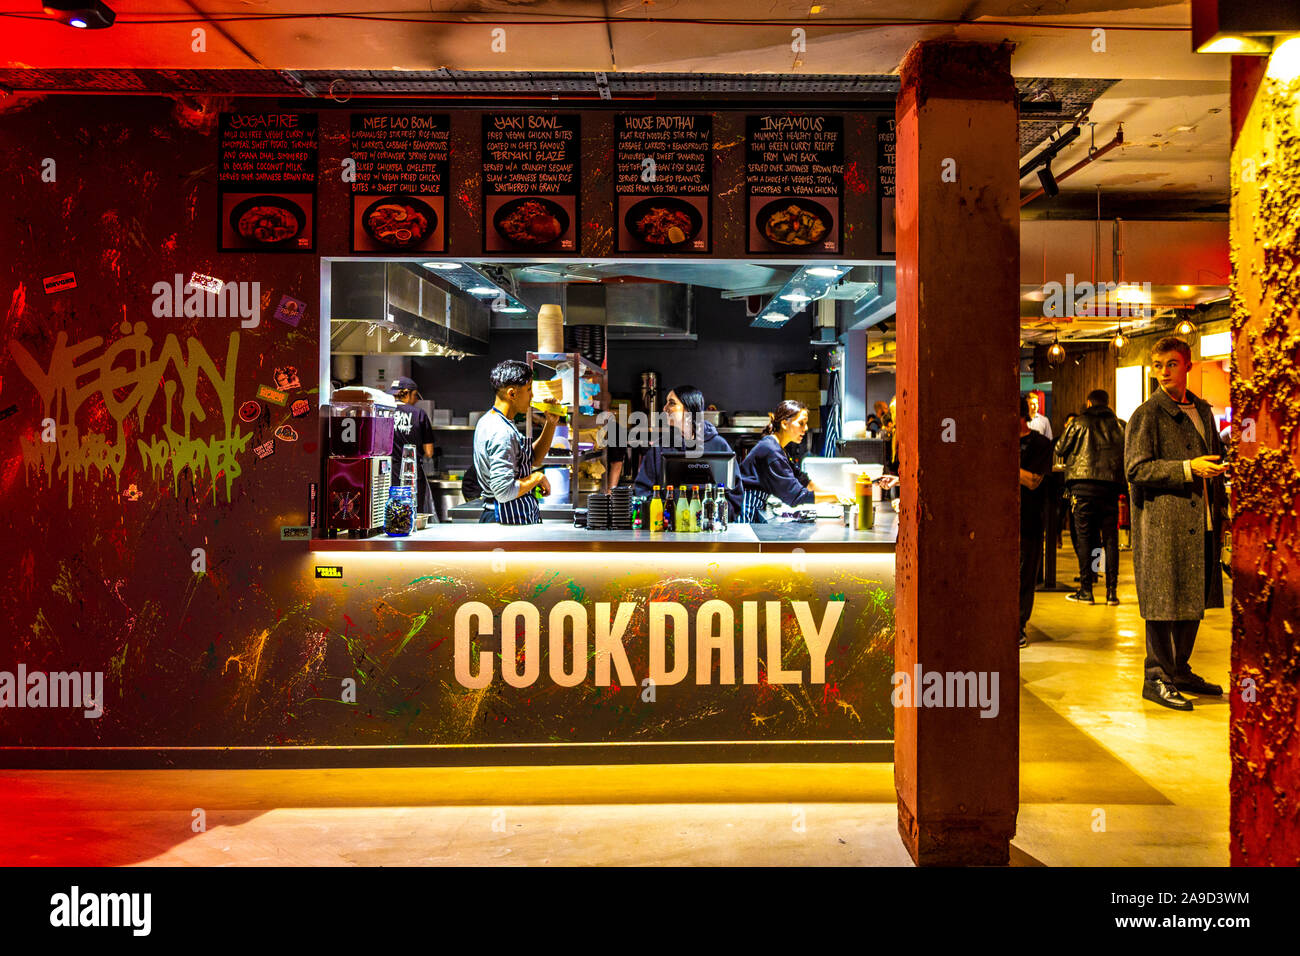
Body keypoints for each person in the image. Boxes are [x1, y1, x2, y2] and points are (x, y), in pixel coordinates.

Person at [1125, 336, 1227, 711]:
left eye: (1171, 364)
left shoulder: (1202, 410)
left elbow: (1215, 458)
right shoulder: (1147, 414)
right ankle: (1157, 677)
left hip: (1201, 520)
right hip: (1164, 524)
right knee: (1163, 602)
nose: (1164, 372)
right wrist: (1187, 469)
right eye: (1158, 365)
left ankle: (1180, 670)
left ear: (1188, 365)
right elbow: (1136, 468)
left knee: (1193, 597)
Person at [1055, 390, 1126, 605]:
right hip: (1110, 488)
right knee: (1110, 538)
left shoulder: (1078, 423)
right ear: (1107, 403)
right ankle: (1111, 592)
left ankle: (1086, 590)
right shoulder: (1120, 425)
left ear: (1088, 402)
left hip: (1082, 486)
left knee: (1085, 536)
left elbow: (1060, 448)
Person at [632, 385, 743, 520]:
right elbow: (643, 491)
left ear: (689, 409)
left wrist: (716, 519)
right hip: (668, 531)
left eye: (672, 403)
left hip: (710, 531)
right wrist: (667, 516)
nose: (665, 408)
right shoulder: (658, 448)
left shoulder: (719, 446)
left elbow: (735, 495)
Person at [472, 360, 560, 525]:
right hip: (505, 520)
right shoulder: (501, 432)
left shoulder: (493, 421)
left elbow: (532, 459)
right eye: (528, 390)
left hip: (510, 516)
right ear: (512, 394)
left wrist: (550, 424)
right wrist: (537, 478)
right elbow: (504, 491)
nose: (531, 396)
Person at [739, 400, 843, 523]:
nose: (806, 428)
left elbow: (803, 480)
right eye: (801, 423)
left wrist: (836, 494)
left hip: (754, 504)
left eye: (806, 424)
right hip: (745, 507)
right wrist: (836, 497)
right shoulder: (772, 451)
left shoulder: (778, 447)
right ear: (784, 424)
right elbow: (796, 496)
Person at [1019, 395, 1054, 648]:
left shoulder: (1040, 443)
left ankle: (1018, 626)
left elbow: (1033, 481)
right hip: (996, 521)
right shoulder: (996, 442)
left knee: (1024, 575)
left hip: (1029, 518)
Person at [386, 377, 437, 517]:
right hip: (412, 474)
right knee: (412, 513)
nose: (416, 400)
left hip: (387, 473)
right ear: (407, 393)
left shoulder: (384, 412)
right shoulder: (419, 414)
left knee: (390, 514)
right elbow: (429, 451)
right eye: (415, 396)